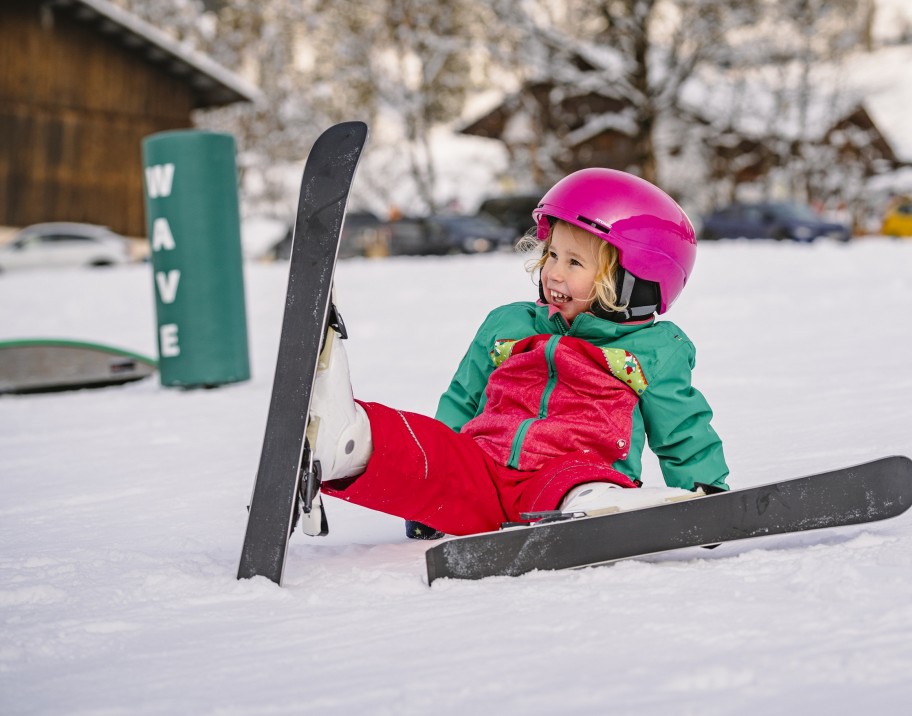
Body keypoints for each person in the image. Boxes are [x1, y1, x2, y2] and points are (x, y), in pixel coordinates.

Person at [304, 168, 730, 539]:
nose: (553, 272)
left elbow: (683, 431)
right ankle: (345, 440)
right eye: (552, 256)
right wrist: (435, 473)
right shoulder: (510, 325)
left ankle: (598, 510)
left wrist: (705, 497)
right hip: (485, 469)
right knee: (433, 456)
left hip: (573, 472)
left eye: (575, 263)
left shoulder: (651, 352)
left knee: (576, 481)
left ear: (632, 282)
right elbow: (463, 399)